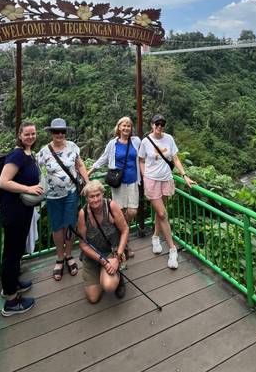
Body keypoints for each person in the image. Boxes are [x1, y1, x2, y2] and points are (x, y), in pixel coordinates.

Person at [138, 114, 196, 269]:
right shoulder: (145, 141)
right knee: (163, 214)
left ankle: (156, 237)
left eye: (162, 124)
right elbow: (141, 160)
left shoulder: (169, 139)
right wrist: (144, 176)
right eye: (157, 123)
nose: (159, 126)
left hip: (166, 179)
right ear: (151, 125)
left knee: (160, 212)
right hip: (152, 180)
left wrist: (184, 176)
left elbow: (175, 159)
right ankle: (172, 249)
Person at [0, 121, 44, 316]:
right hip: (14, 211)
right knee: (11, 253)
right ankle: (10, 301)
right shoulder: (16, 155)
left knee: (16, 252)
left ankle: (13, 284)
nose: (31, 137)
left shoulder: (27, 153)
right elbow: (3, 182)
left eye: (33, 134)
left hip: (22, 210)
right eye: (27, 134)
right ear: (19, 135)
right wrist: (28, 189)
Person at [37, 117, 89, 281]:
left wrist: (87, 183)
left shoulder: (73, 147)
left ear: (65, 132)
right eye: (56, 131)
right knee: (57, 227)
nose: (59, 134)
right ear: (51, 133)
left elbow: (79, 165)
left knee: (70, 225)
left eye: (62, 131)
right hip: (53, 196)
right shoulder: (44, 151)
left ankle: (68, 255)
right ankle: (59, 257)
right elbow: (35, 170)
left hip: (71, 193)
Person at [88, 116, 141, 258]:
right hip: (118, 183)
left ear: (131, 129)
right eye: (123, 125)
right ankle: (125, 245)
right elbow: (103, 158)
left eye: (128, 126)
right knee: (120, 212)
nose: (126, 128)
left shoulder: (136, 141)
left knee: (132, 212)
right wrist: (90, 171)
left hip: (133, 181)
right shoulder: (113, 144)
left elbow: (143, 157)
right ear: (118, 128)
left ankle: (120, 235)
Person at [77, 180, 129, 303]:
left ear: (102, 194)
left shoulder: (111, 206)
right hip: (93, 255)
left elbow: (125, 229)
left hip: (112, 251)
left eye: (97, 195)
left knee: (109, 286)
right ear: (86, 198)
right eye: (91, 196)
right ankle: (103, 272)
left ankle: (118, 275)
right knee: (93, 298)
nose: (95, 199)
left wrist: (117, 257)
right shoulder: (83, 214)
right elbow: (83, 244)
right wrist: (103, 262)